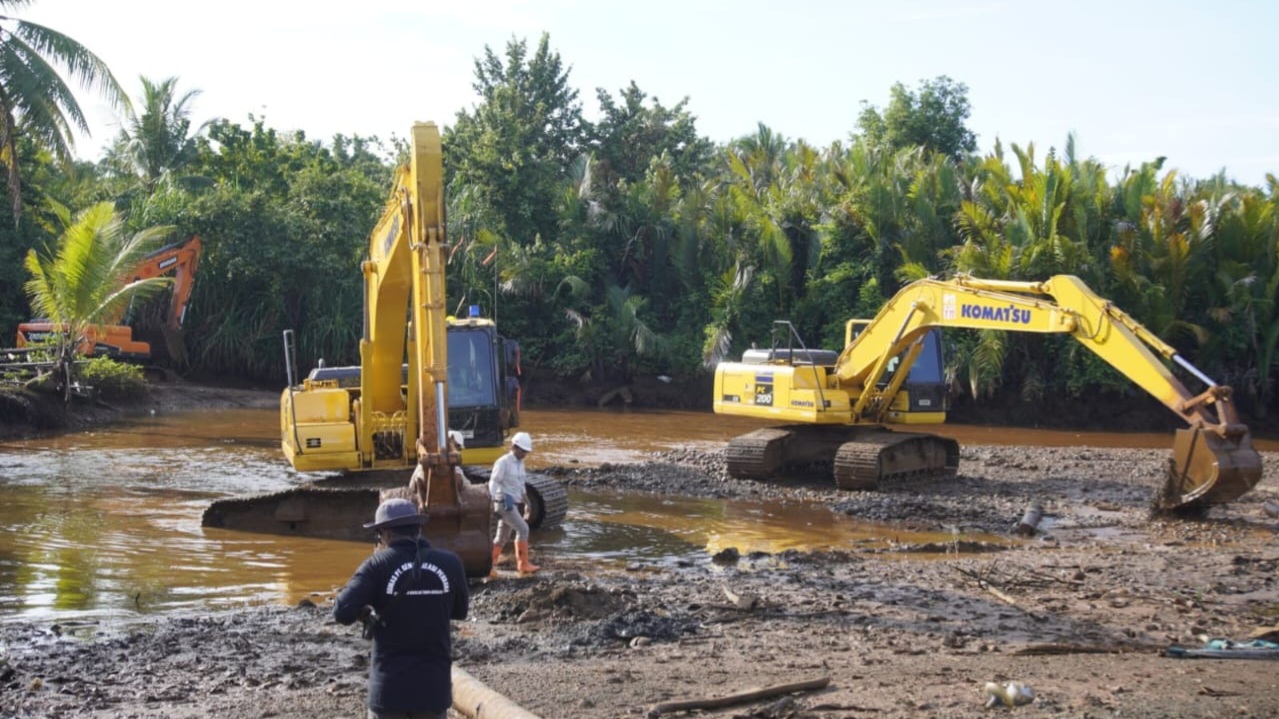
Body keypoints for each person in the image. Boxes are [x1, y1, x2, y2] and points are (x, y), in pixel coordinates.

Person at [333, 498, 469, 719]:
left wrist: (366, 612)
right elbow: (460, 611)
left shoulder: (377, 565)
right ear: (418, 529)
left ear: (385, 533)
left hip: (389, 691)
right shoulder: (451, 563)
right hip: (433, 689)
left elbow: (342, 611)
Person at [488, 431, 540, 575]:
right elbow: (494, 482)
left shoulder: (520, 464)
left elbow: (521, 485)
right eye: (523, 451)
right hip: (504, 502)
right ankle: (523, 564)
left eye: (526, 451)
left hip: (514, 503)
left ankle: (489, 565)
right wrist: (492, 502)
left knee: (502, 537)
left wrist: (527, 502)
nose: (525, 454)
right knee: (523, 529)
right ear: (515, 447)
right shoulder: (503, 462)